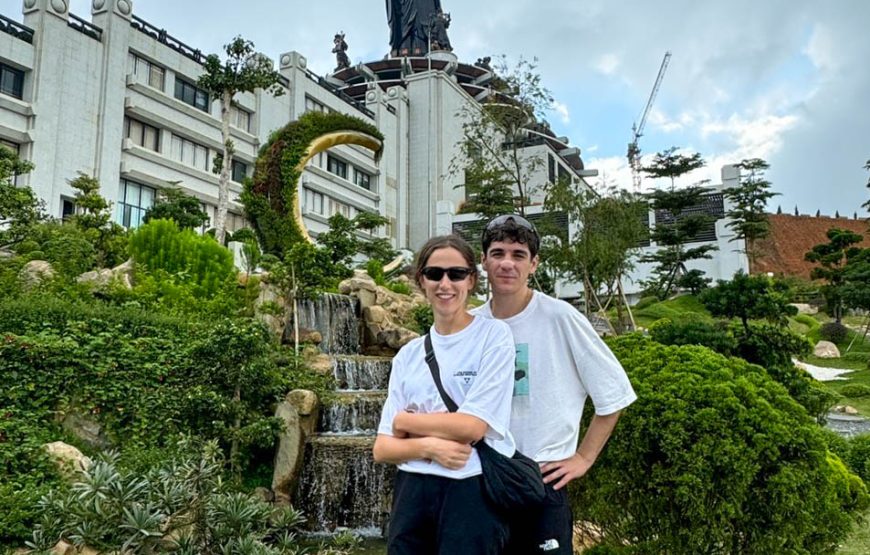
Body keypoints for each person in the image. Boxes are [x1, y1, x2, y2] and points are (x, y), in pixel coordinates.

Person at [475, 214, 637, 555]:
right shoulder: (472, 323)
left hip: (543, 480)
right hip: (481, 480)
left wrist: (583, 457)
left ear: (533, 264)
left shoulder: (560, 317)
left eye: (518, 255)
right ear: (483, 261)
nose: (507, 263)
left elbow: (614, 393)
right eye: (498, 253)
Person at [373, 234, 517, 555]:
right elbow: (382, 448)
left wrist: (406, 420)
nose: (445, 283)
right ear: (421, 280)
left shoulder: (493, 337)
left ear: (472, 280)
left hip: (471, 486)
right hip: (411, 492)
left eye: (456, 273)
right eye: (435, 274)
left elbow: (473, 427)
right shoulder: (409, 354)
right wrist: (430, 447)